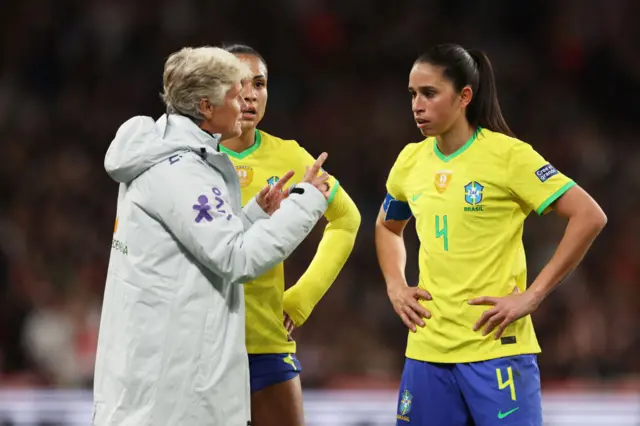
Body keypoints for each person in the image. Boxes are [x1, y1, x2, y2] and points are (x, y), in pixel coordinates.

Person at [93, 46, 333, 426]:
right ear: (206, 107)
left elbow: (196, 246)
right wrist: (304, 204)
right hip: (171, 387)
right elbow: (236, 259)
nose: (245, 104)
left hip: (162, 371)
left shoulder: (168, 154)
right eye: (235, 95)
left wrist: (252, 215)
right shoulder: (182, 172)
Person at [375, 43, 607, 426]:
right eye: (413, 94)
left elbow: (588, 215)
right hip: (428, 350)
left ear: (465, 96)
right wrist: (396, 285)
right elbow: (387, 226)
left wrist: (532, 296)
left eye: (430, 93)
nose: (418, 104)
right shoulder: (410, 161)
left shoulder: (508, 156)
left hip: (496, 350)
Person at [221, 44, 361, 426]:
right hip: (200, 346)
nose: (250, 94)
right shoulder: (188, 158)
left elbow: (347, 220)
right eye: (238, 83)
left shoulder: (292, 157)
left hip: (264, 342)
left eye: (260, 84)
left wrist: (300, 299)